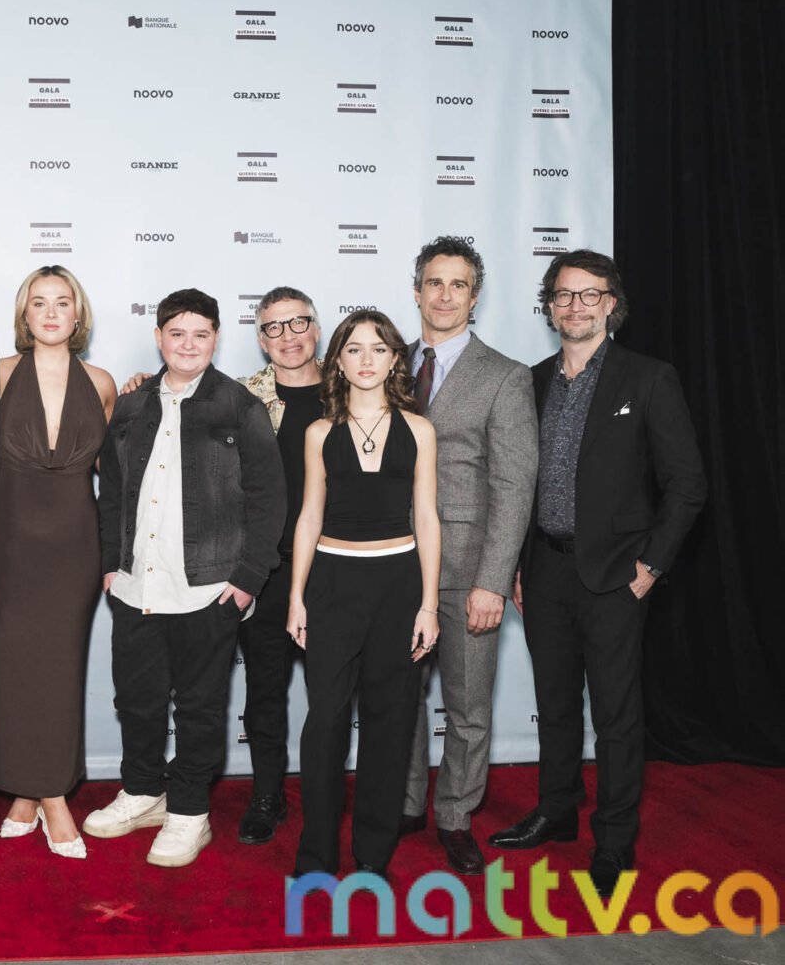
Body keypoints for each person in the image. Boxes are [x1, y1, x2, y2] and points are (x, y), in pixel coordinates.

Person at [492, 250, 705, 898]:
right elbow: (516, 483)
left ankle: (613, 839)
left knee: (615, 716)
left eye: (590, 295)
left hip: (616, 576)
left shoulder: (649, 378)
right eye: (563, 295)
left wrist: (651, 566)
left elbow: (687, 484)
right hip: (544, 572)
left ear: (612, 304)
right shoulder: (530, 382)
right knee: (555, 706)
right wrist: (516, 565)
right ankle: (557, 812)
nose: (575, 306)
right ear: (549, 306)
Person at [86, 289, 286, 868]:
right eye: (177, 334)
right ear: (159, 337)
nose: (188, 345)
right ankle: (143, 792)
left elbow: (269, 498)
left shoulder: (241, 407)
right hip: (135, 586)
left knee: (199, 706)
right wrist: (110, 564)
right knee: (137, 699)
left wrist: (247, 578)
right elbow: (111, 493)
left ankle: (190, 812)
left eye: (200, 334)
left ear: (216, 339)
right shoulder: (130, 406)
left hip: (209, 588)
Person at [398, 238, 538, 877]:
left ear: (474, 296)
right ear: (417, 291)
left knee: (468, 706)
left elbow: (514, 485)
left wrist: (492, 579)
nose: (445, 295)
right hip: (393, 563)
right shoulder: (384, 363)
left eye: (458, 284)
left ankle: (454, 815)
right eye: (435, 282)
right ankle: (406, 804)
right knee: (398, 696)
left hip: (466, 570)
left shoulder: (505, 376)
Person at [288, 310, 440, 878]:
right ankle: (317, 854)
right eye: (354, 349)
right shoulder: (319, 433)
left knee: (390, 721)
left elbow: (427, 518)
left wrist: (428, 604)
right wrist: (297, 596)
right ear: (338, 361)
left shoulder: (419, 430)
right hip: (332, 585)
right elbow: (309, 516)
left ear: (396, 358)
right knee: (325, 722)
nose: (367, 359)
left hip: (399, 585)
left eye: (378, 348)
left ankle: (374, 854)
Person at [0, 266, 116, 860]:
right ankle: (26, 791)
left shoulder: (103, 383)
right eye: (40, 303)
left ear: (77, 314)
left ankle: (49, 794)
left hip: (74, 546)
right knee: (11, 669)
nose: (52, 312)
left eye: (63, 302)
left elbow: (113, 472)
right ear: (24, 314)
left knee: (61, 671)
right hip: (6, 544)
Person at [234, 287, 324, 845]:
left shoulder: (352, 391)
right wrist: (139, 384)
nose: (288, 337)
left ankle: (322, 795)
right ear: (261, 339)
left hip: (334, 569)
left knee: (330, 693)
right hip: (265, 569)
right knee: (264, 689)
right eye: (274, 327)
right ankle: (267, 794)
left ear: (317, 328)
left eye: (298, 323)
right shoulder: (241, 398)